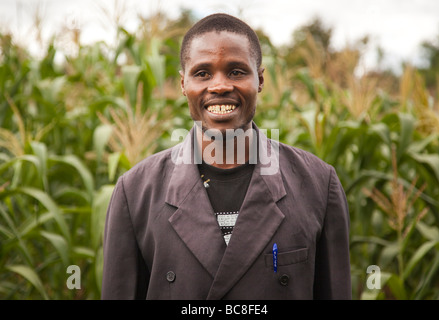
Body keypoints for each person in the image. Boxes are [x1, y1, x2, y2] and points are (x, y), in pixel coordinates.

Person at [101, 13, 351, 300]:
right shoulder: (134, 193)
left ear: (260, 80)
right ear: (183, 84)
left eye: (236, 72)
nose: (219, 86)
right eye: (203, 73)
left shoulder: (319, 185)